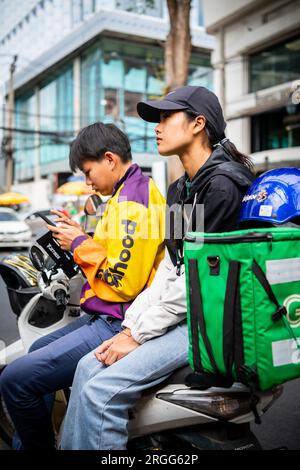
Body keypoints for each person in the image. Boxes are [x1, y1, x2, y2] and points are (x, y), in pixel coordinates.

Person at [60, 86, 254, 450]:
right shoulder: (181, 189)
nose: (157, 127)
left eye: (166, 117)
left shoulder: (223, 187)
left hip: (208, 322)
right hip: (183, 315)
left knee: (101, 391)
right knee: (86, 367)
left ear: (198, 124)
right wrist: (132, 326)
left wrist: (137, 334)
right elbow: (173, 264)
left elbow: (196, 282)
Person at [0, 122, 165, 450]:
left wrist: (78, 243)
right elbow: (115, 254)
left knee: (14, 381)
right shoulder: (124, 195)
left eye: (88, 172)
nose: (88, 182)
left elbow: (123, 283)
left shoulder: (134, 201)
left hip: (118, 320)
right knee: (33, 351)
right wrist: (81, 235)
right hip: (104, 315)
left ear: (109, 159)